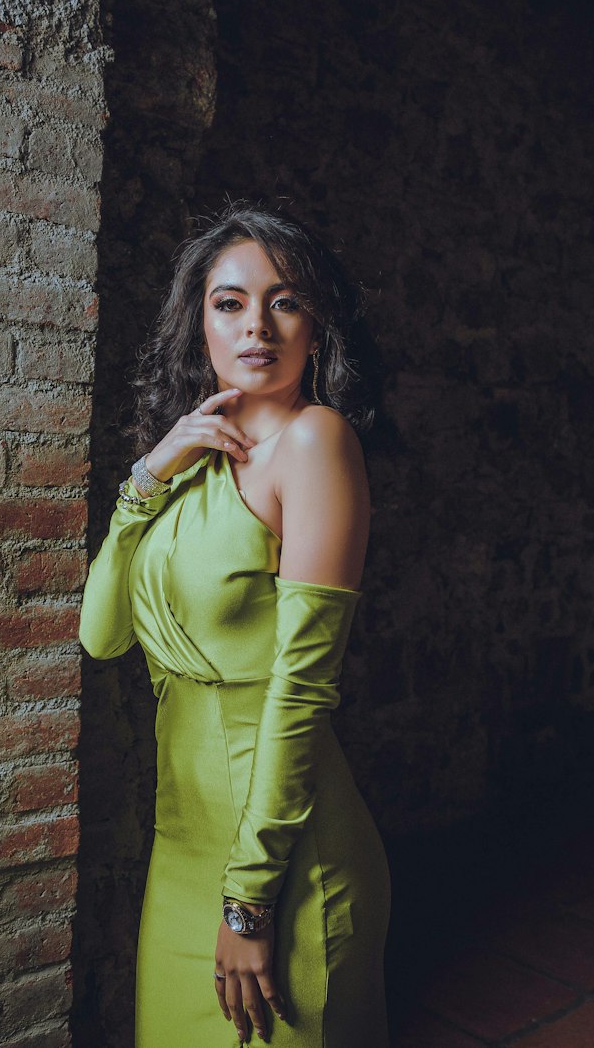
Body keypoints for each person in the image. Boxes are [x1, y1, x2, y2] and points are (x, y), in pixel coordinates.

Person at [79, 203, 390, 1047]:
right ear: (200, 326)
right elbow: (100, 634)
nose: (256, 323)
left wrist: (249, 902)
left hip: (280, 848)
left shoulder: (316, 443)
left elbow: (302, 688)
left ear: (317, 327)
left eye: (285, 301)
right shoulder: (185, 466)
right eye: (229, 302)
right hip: (181, 846)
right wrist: (146, 474)